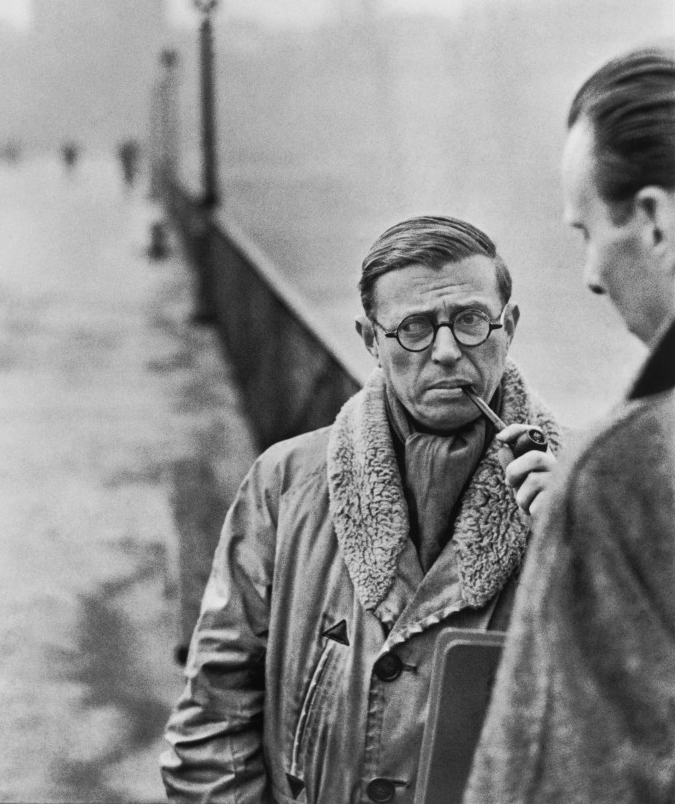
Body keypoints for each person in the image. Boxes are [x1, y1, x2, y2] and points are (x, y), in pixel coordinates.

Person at [161, 215, 565, 803]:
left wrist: (583, 551)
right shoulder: (286, 482)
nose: (448, 351)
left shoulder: (589, 488)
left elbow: (636, 722)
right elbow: (215, 716)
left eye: (472, 321)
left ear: (510, 326)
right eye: (415, 329)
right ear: (371, 340)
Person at [464, 47, 675, 804]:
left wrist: (594, 513)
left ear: (652, 220)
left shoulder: (626, 468)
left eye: (587, 230)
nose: (588, 274)